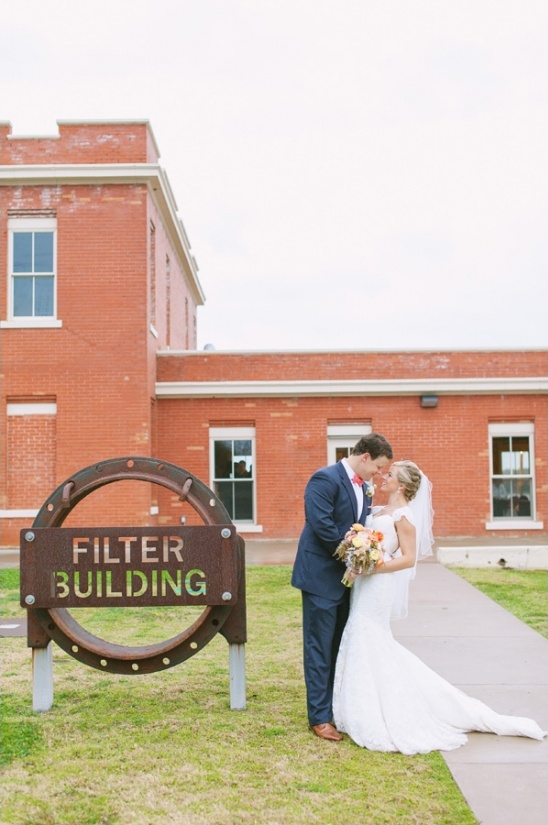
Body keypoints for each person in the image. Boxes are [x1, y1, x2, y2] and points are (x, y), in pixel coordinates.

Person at [332, 460, 547, 754]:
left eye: (390, 475)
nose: (384, 477)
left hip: (378, 585)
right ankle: (357, 703)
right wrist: (359, 558)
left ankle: (378, 708)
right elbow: (370, 542)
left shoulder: (405, 516)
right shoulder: (378, 510)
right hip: (364, 583)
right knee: (362, 635)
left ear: (403, 485)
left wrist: (372, 569)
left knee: (369, 635)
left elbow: (408, 558)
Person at [291, 432, 394, 741]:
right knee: (319, 647)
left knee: (340, 646)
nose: (378, 475)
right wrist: (357, 553)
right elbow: (322, 526)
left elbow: (359, 523)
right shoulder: (323, 479)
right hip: (321, 575)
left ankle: (336, 708)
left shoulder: (364, 486)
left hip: (349, 580)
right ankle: (319, 717)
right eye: (377, 467)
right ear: (364, 457)